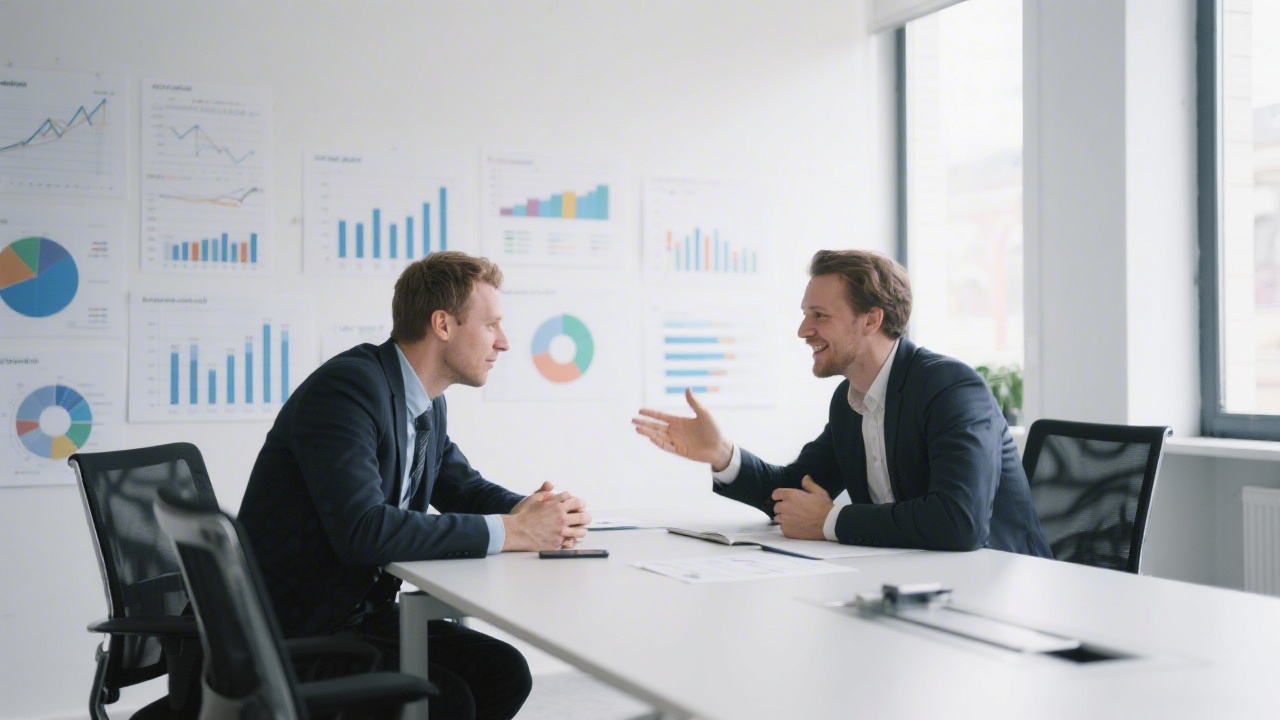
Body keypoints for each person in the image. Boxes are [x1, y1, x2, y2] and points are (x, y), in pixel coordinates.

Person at [239, 251, 591, 720]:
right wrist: (516, 531)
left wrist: (538, 511)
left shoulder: (423, 400)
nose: (504, 343)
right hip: (296, 629)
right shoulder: (347, 390)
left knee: (503, 670)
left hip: (357, 615)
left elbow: (462, 487)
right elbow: (363, 530)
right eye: (491, 325)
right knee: (448, 698)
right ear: (443, 324)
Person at [632, 249, 1050, 556]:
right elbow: (794, 496)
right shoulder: (849, 400)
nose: (802, 330)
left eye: (819, 315)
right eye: (804, 314)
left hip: (1002, 582)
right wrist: (723, 455)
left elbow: (959, 522)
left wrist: (831, 521)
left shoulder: (951, 389)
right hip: (913, 580)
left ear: (871, 320)